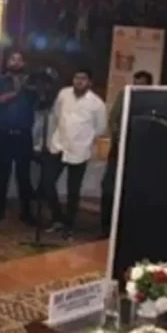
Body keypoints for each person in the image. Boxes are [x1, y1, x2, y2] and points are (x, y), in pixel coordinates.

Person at [40, 68, 106, 240]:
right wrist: (49, 141)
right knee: (47, 182)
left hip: (79, 150)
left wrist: (84, 139)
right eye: (76, 78)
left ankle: (69, 224)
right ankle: (57, 218)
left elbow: (100, 128)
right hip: (58, 145)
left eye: (83, 79)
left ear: (89, 82)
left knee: (73, 190)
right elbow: (55, 115)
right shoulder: (63, 94)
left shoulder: (97, 103)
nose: (79, 81)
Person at [0, 50, 35, 224]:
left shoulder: (31, 81)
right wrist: (15, 92)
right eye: (12, 59)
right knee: (2, 174)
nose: (15, 62)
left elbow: (39, 103)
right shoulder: (0, 80)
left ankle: (27, 212)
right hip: (3, 134)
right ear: (8, 62)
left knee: (24, 175)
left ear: (23, 63)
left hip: (23, 134)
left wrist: (32, 89)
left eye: (19, 59)